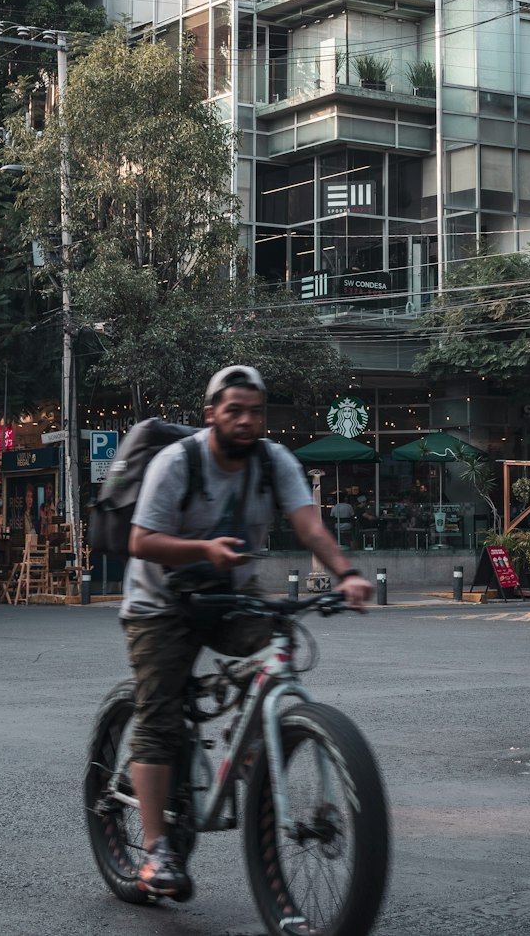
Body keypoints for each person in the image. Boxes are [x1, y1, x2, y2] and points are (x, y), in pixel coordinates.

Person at [121, 364, 372, 903]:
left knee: (277, 644)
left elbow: (308, 525)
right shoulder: (177, 462)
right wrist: (203, 550)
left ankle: (257, 747)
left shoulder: (273, 460)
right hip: (160, 601)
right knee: (160, 717)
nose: (245, 420)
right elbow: (141, 540)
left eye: (255, 412)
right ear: (210, 413)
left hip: (230, 595)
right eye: (233, 410)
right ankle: (154, 849)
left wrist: (346, 573)